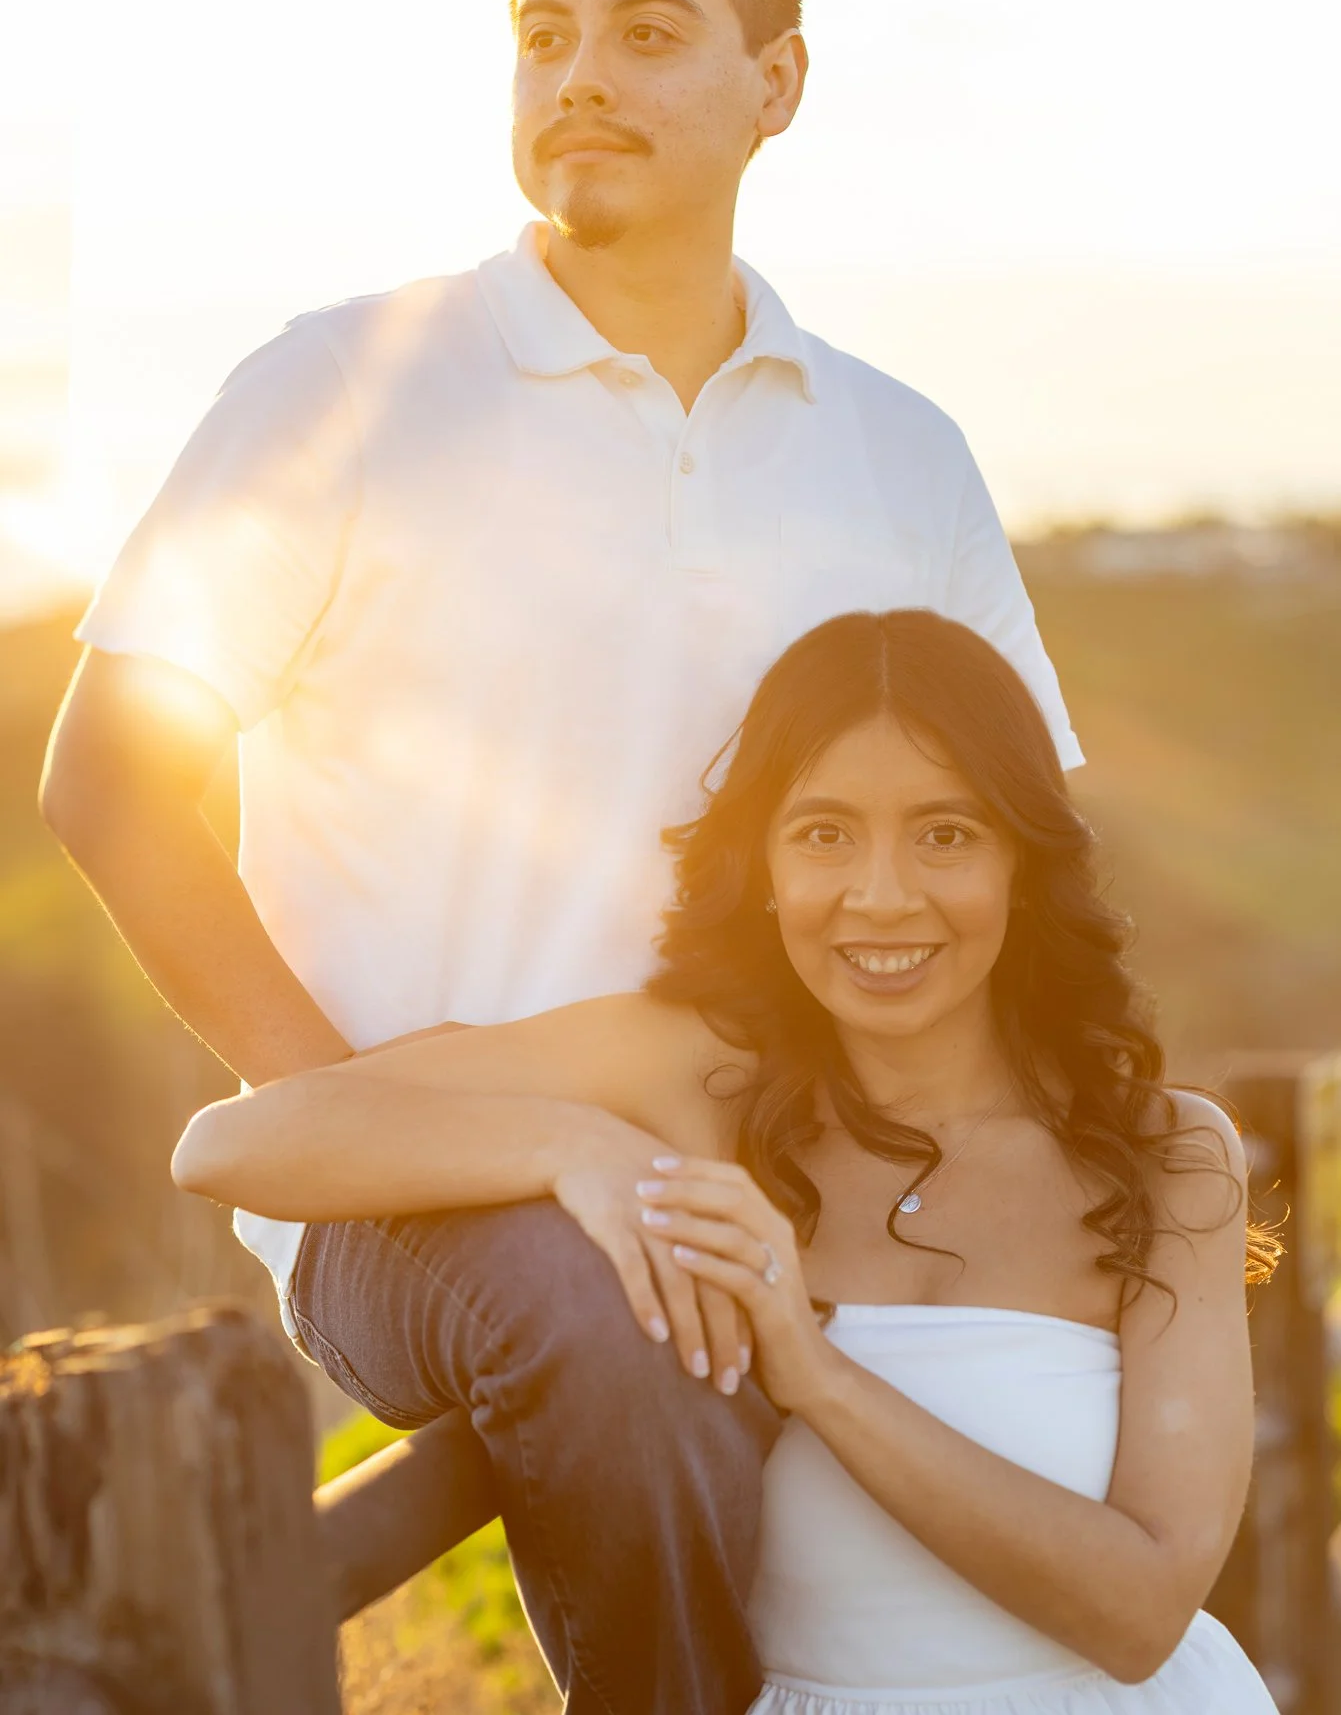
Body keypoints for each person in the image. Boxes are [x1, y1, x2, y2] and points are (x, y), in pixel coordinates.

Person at [41, 0, 1080, 1714]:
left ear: (780, 83)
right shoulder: (341, 385)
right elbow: (108, 779)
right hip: (438, 1216)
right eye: (542, 37)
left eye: (647, 32)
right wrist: (365, 1123)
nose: (578, 76)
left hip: (810, 1172)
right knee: (606, 1307)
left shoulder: (899, 448)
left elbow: (1032, 834)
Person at [175, 609, 1279, 1715]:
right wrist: (574, 1145)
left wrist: (816, 1374)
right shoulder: (689, 1071)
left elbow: (1142, 1612)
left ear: (1023, 865)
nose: (882, 894)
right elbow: (230, 1143)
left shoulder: (1164, 1153)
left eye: (946, 833)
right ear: (759, 864)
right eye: (824, 833)